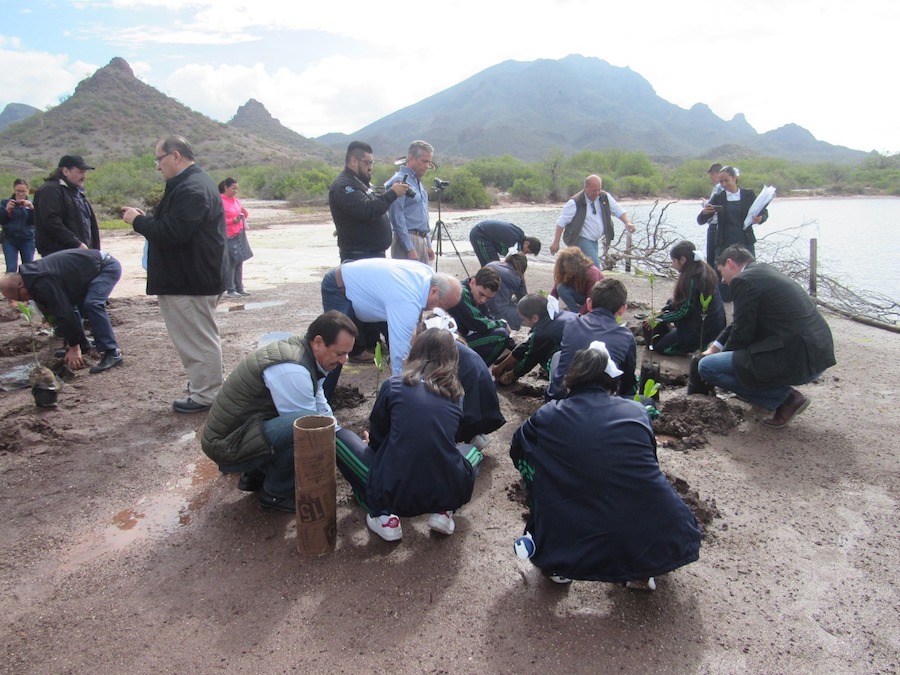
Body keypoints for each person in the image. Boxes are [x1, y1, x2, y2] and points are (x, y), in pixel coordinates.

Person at [510, 342, 702, 588]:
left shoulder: (547, 416)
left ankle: (561, 562)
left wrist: (545, 481)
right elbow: (650, 465)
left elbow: (518, 450)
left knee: (552, 487)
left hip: (571, 529)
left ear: (570, 382)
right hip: (653, 529)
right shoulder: (637, 412)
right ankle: (641, 569)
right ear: (612, 385)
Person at [335, 328, 484, 541]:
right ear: (452, 359)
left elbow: (378, 436)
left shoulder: (394, 385)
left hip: (393, 492)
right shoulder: (456, 393)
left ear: (415, 353)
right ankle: (443, 511)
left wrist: (373, 444)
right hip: (444, 489)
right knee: (472, 452)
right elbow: (444, 440)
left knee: (340, 438)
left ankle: (384, 516)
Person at [201, 311, 357, 513]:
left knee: (304, 422)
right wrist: (349, 459)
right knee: (304, 428)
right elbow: (312, 430)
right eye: (340, 353)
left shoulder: (304, 354)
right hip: (226, 445)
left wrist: (340, 432)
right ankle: (276, 494)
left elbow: (319, 402)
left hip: (241, 432)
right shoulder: (294, 370)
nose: (344, 360)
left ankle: (254, 476)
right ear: (318, 342)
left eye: (347, 353)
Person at [121, 135, 226, 414]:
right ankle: (204, 388)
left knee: (197, 339)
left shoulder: (192, 188)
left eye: (159, 158)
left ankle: (206, 395)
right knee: (198, 337)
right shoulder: (192, 184)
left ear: (176, 156)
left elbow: (172, 234)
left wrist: (138, 222)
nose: (158, 166)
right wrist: (149, 221)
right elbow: (175, 226)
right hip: (191, 277)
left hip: (189, 280)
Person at [698, 246, 836, 428]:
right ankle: (766, 393)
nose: (723, 280)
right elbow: (740, 321)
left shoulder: (742, 280)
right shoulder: (763, 271)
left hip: (798, 357)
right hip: (818, 353)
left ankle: (786, 399)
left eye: (722, 272)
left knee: (707, 367)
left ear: (730, 263)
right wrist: (716, 347)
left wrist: (727, 361)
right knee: (733, 362)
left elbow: (741, 333)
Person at [320, 257, 462, 397]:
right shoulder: (406, 301)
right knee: (336, 347)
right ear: (434, 291)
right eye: (439, 305)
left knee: (398, 336)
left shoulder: (429, 275)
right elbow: (399, 354)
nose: (435, 310)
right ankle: (320, 400)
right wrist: (403, 391)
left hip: (369, 286)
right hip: (340, 287)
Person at [0, 249, 123, 373]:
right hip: (86, 273)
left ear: (20, 285)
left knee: (93, 303)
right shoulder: (31, 277)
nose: (23, 301)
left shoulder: (41, 281)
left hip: (105, 267)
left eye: (19, 297)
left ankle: (112, 352)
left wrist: (73, 348)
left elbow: (63, 313)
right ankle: (84, 345)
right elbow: (61, 310)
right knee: (74, 308)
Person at [548, 278, 637, 399]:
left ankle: (554, 393)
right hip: (603, 403)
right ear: (623, 309)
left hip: (562, 396)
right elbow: (628, 381)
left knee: (557, 356)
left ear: (589, 303)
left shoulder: (571, 323)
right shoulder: (626, 336)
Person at [329, 140, 409, 262]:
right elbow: (367, 210)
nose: (371, 167)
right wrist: (392, 193)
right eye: (367, 163)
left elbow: (374, 205)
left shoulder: (360, 183)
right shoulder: (344, 185)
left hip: (371, 255)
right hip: (358, 257)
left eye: (372, 163)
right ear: (354, 161)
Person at [697, 165, 768, 301]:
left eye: (726, 181)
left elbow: (763, 212)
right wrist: (705, 213)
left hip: (744, 239)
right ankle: (723, 300)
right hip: (725, 241)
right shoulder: (719, 197)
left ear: (735, 178)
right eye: (721, 181)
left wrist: (760, 219)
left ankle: (748, 298)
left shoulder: (748, 195)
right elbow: (701, 220)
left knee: (748, 271)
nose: (723, 184)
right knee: (722, 270)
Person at [646, 240, 726, 355]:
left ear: (682, 260)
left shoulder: (692, 280)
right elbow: (680, 302)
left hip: (703, 328)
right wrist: (663, 310)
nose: (672, 265)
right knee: (670, 302)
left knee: (659, 348)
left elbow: (684, 311)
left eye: (674, 261)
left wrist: (659, 319)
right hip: (714, 323)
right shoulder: (703, 268)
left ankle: (691, 347)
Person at [550, 174, 635, 269]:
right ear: (586, 188)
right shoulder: (575, 203)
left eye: (599, 189)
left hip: (594, 240)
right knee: (595, 267)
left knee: (584, 269)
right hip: (580, 239)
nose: (597, 192)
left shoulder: (604, 197)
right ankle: (596, 282)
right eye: (594, 190)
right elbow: (561, 223)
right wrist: (555, 243)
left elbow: (617, 210)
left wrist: (627, 222)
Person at [492, 294, 577, 385]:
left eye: (523, 319)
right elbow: (527, 345)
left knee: (542, 354)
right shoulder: (557, 315)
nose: (522, 322)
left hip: (575, 368)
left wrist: (511, 375)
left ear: (535, 318)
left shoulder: (544, 333)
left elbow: (531, 359)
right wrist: (501, 366)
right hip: (587, 357)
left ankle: (558, 383)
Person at [33, 155, 100, 256]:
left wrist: (94, 251)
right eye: (80, 172)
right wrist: (76, 243)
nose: (84, 176)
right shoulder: (50, 190)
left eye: (85, 172)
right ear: (65, 171)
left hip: (80, 253)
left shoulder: (77, 193)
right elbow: (51, 222)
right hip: (61, 255)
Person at [448, 265, 514, 365]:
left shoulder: (475, 294)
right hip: (448, 343)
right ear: (472, 282)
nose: (483, 300)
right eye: (481, 294)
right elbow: (481, 324)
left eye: (488, 298)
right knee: (501, 336)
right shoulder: (462, 292)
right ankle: (480, 370)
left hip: (459, 337)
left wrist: (510, 344)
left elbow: (488, 317)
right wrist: (503, 323)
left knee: (502, 333)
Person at [386, 140, 435, 263]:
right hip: (408, 238)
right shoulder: (400, 181)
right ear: (411, 158)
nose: (426, 166)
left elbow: (423, 215)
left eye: (429, 162)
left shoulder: (418, 182)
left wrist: (428, 244)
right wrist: (409, 248)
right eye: (424, 161)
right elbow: (397, 217)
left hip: (421, 239)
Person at [219, 177, 252, 298]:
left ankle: (239, 288)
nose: (235, 191)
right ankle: (230, 289)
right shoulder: (220, 201)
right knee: (231, 262)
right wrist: (232, 220)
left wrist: (244, 213)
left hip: (239, 233)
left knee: (239, 261)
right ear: (226, 187)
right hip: (227, 235)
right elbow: (217, 219)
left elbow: (242, 215)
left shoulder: (236, 200)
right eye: (233, 188)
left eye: (237, 189)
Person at [548, 247, 603, 314]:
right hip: (582, 296)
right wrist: (549, 306)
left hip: (597, 299)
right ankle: (575, 311)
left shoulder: (591, 273)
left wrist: (581, 314)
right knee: (560, 287)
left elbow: (591, 298)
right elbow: (555, 290)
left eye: (569, 267)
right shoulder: (566, 271)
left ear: (577, 266)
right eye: (564, 267)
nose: (566, 269)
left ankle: (578, 314)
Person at [468, 219, 541, 267]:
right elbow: (512, 260)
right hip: (481, 234)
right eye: (527, 252)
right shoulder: (516, 243)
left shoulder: (519, 235)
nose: (524, 254)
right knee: (492, 267)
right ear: (527, 243)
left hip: (488, 236)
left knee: (496, 267)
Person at [485, 253, 528, 329]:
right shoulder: (517, 277)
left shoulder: (491, 264)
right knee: (521, 313)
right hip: (497, 312)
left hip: (482, 304)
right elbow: (524, 300)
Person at [1, 179, 35, 272]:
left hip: (27, 239)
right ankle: (9, 286)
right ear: (14, 190)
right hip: (10, 239)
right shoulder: (5, 202)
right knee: (11, 269)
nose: (20, 194)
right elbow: (2, 221)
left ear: (27, 191)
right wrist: (7, 210)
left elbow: (35, 222)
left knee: (28, 269)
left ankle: (26, 286)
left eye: (23, 191)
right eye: (18, 191)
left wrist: (32, 209)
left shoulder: (32, 203)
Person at [701, 163, 724, 263]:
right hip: (720, 226)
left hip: (715, 225)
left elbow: (711, 206)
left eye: (711, 175)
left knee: (712, 256)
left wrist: (705, 203)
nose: (711, 178)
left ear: (716, 174)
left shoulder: (719, 187)